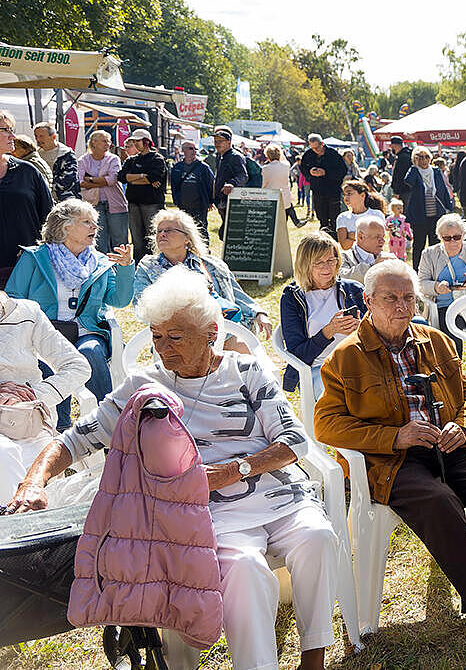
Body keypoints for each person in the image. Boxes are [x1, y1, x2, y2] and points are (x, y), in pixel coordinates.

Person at [11, 267, 339, 670]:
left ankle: (314, 658)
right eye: (157, 337)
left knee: (318, 536)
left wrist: (238, 468)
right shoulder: (145, 386)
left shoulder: (247, 371)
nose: (164, 349)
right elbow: (75, 438)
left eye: (176, 337)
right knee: (247, 570)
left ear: (211, 331)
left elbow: (294, 440)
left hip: (278, 495)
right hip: (209, 513)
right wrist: (34, 480)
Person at [315, 260, 466, 651]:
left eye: (409, 297)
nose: (401, 306)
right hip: (392, 461)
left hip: (448, 447)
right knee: (439, 499)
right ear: (369, 301)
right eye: (390, 298)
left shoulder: (435, 341)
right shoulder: (346, 357)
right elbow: (327, 426)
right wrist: (395, 436)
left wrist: (465, 425)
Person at [6, 199, 132, 430]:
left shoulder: (100, 262)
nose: (95, 227)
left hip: (86, 331)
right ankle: (60, 428)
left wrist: (125, 268)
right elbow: (14, 298)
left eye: (95, 222)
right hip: (43, 334)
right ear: (65, 226)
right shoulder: (35, 257)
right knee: (48, 363)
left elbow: (120, 300)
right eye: (86, 222)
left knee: (91, 353)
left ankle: (109, 421)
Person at [0, 289, 90, 499]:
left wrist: (31, 395)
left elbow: (78, 367)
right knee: (4, 455)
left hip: (27, 421)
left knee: (38, 472)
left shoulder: (27, 313)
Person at [134, 208, 272, 343]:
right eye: (159, 231)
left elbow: (237, 295)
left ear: (187, 238)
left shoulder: (213, 265)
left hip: (221, 333)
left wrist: (259, 314)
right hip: (175, 338)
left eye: (169, 230)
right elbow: (141, 307)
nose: (162, 234)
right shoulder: (147, 268)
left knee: (243, 349)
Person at [279, 233, 366, 395]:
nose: (327, 268)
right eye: (318, 263)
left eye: (331, 261)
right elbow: (297, 354)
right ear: (305, 264)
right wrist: (328, 331)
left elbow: (379, 334)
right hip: (318, 368)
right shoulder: (293, 297)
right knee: (337, 394)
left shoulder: (354, 290)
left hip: (358, 362)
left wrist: (362, 329)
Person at [416, 213, 466, 353]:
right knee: (451, 333)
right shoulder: (429, 254)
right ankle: (455, 369)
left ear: (464, 234)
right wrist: (437, 287)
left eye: (457, 237)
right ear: (440, 237)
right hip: (445, 307)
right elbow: (421, 283)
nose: (453, 242)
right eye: (447, 238)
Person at [0, 112, 54, 288]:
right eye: (6, 130)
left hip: (25, 268)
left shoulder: (28, 171)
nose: (13, 136)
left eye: (12, 130)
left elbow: (49, 218)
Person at [118, 129, 166, 262]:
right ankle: (138, 265)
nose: (135, 144)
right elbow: (122, 177)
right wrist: (143, 177)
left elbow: (155, 177)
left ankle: (156, 263)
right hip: (134, 203)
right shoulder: (131, 160)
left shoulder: (157, 159)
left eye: (137, 141)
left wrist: (132, 179)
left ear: (146, 141)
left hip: (152, 204)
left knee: (153, 237)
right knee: (137, 239)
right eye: (134, 141)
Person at [78, 129, 128, 253]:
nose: (108, 144)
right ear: (93, 143)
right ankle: (104, 269)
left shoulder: (113, 159)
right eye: (104, 141)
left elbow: (112, 180)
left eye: (109, 141)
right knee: (99, 241)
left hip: (116, 204)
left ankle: (121, 268)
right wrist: (101, 180)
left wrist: (89, 179)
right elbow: (79, 183)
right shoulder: (83, 160)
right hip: (93, 204)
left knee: (119, 240)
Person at [404, 146, 454, 268]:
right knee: (419, 245)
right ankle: (417, 269)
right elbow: (408, 182)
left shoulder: (436, 171)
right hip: (420, 216)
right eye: (420, 157)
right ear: (415, 159)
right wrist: (415, 167)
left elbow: (443, 190)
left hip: (436, 215)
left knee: (435, 245)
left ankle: (435, 268)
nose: (424, 160)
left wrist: (449, 207)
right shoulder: (415, 172)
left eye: (427, 156)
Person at [300, 134, 348, 239]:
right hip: (317, 190)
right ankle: (323, 237)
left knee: (334, 216)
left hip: (332, 190)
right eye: (312, 148)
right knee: (321, 217)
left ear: (322, 144)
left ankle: (335, 238)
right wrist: (310, 173)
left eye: (317, 148)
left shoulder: (333, 154)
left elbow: (342, 170)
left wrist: (325, 173)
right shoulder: (308, 154)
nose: (315, 150)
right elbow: (303, 168)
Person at [167, 139, 214, 242]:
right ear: (183, 150)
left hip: (199, 205)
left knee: (201, 229)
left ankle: (204, 252)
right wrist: (176, 201)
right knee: (185, 229)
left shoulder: (203, 167)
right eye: (191, 148)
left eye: (195, 149)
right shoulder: (177, 167)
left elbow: (210, 184)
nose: (194, 151)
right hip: (183, 205)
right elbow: (174, 186)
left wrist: (210, 201)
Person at [210, 126, 248, 237]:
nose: (217, 144)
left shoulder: (236, 157)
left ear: (229, 142)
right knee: (225, 232)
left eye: (220, 141)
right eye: (215, 141)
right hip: (222, 201)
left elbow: (243, 175)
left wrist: (232, 183)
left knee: (229, 233)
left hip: (232, 202)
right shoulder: (220, 156)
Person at [31, 122, 78, 201]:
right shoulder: (36, 155)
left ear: (53, 137)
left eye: (41, 136)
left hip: (65, 200)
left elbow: (68, 180)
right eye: (36, 136)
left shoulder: (66, 154)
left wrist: (44, 187)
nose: (38, 139)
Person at [341, 217, 396, 283]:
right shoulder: (344, 257)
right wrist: (373, 266)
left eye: (383, 237)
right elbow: (343, 278)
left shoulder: (386, 257)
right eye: (377, 237)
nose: (383, 241)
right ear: (360, 237)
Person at [335, 181, 388, 250]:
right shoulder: (342, 217)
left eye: (349, 193)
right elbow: (345, 246)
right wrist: (367, 236)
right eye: (344, 194)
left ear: (362, 195)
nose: (345, 197)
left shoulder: (377, 214)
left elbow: (378, 242)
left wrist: (351, 235)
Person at [262, 143, 302, 227]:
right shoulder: (286, 165)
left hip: (271, 197)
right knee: (284, 222)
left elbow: (263, 184)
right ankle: (296, 222)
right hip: (285, 197)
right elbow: (284, 159)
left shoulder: (265, 169)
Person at [386, 136, 413, 204]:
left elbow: (400, 175)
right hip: (406, 190)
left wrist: (397, 191)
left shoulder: (403, 157)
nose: (391, 148)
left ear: (395, 145)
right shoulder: (406, 155)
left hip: (403, 191)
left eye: (391, 145)